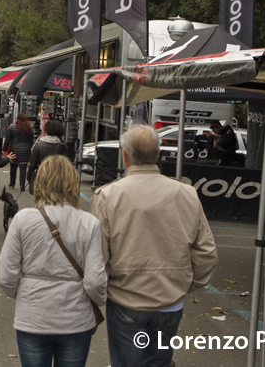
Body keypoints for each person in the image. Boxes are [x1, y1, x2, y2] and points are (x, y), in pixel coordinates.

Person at [90, 124, 218, 367]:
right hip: (170, 300)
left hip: (126, 298)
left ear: (125, 156)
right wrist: (185, 284)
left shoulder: (107, 196)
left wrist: (102, 290)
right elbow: (206, 252)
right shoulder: (186, 193)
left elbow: (98, 256)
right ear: (158, 154)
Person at [0, 155, 107, 367]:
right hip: (75, 318)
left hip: (33, 316)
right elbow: (95, 281)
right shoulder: (89, 223)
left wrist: (24, 294)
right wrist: (99, 300)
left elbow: (5, 275)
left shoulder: (23, 219)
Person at [27, 120, 69, 194]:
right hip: (56, 178)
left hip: (42, 176)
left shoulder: (38, 145)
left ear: (46, 131)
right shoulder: (62, 146)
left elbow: (32, 164)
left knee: (41, 197)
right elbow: (65, 165)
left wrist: (29, 177)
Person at [4, 113, 34, 191]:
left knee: (13, 167)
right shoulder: (29, 128)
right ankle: (22, 185)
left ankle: (12, 183)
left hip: (14, 150)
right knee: (23, 168)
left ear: (17, 119)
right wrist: (30, 148)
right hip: (25, 150)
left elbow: (7, 139)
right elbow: (31, 141)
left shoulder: (12, 127)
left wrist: (4, 149)